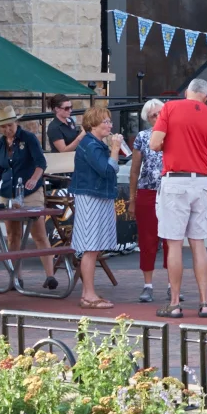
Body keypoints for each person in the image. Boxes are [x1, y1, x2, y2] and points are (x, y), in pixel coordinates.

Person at [151, 79, 207, 319]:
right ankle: (205, 302)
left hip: (175, 180)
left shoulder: (170, 108)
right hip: (200, 182)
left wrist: (170, 143)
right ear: (206, 97)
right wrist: (205, 152)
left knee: (174, 243)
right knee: (198, 243)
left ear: (187, 92)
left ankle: (175, 303)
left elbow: (154, 144)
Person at [0, 105, 57, 289]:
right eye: (2, 127)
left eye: (9, 125)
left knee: (39, 233)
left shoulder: (28, 138)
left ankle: (50, 276)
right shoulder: (1, 143)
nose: (6, 130)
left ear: (16, 123)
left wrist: (34, 180)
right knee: (13, 235)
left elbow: (41, 163)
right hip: (8, 192)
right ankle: (16, 276)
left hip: (29, 191)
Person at [69, 104, 121, 309]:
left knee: (94, 247)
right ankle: (89, 295)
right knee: (90, 248)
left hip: (97, 196)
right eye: (105, 121)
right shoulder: (91, 145)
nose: (110, 125)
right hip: (91, 198)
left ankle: (87, 294)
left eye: (109, 121)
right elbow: (107, 170)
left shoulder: (94, 144)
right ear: (93, 125)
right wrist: (115, 149)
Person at [128, 99, 166, 302]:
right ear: (147, 118)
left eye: (161, 113)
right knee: (147, 239)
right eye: (154, 115)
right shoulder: (142, 137)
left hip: (170, 192)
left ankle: (172, 284)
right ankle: (148, 284)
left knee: (172, 239)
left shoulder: (174, 134)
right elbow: (134, 171)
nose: (158, 117)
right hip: (147, 191)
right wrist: (132, 199)